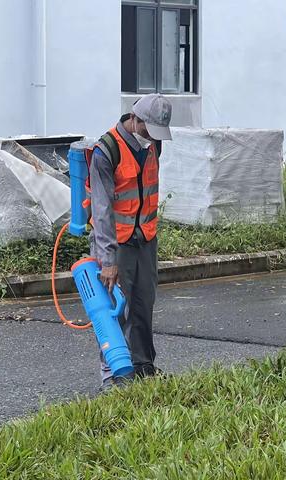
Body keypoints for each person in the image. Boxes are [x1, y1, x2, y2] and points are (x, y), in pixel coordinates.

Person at [88, 94, 173, 391]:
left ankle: (143, 366)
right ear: (135, 120)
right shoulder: (106, 151)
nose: (153, 139)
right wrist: (107, 261)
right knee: (114, 310)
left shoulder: (153, 145)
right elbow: (101, 211)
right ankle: (112, 378)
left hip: (145, 239)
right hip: (116, 244)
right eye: (149, 131)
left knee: (142, 304)